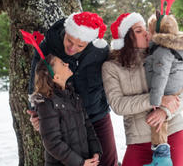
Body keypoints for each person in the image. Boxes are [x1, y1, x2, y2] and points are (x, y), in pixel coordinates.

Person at [102, 12, 183, 166]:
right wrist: (156, 99)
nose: (146, 33)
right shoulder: (111, 67)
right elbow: (118, 105)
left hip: (171, 133)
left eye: (145, 29)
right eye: (138, 31)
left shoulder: (160, 54)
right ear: (125, 38)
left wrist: (165, 111)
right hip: (138, 140)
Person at [27, 12, 118, 166]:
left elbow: (114, 73)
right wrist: (36, 113)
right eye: (69, 40)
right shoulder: (48, 46)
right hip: (63, 118)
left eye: (80, 45)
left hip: (96, 113)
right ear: (66, 32)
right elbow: (35, 81)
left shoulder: (99, 50)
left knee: (107, 160)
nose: (72, 48)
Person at [144, 12, 183, 166]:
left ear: (156, 33)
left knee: (158, 123)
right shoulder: (169, 49)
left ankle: (162, 158)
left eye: (149, 30)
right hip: (174, 86)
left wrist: (156, 101)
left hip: (167, 90)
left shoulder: (161, 52)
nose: (147, 33)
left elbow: (160, 77)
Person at [31, 54, 102, 166]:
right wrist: (80, 163)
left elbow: (88, 127)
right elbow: (53, 142)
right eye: (62, 64)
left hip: (85, 161)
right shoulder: (46, 104)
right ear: (56, 77)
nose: (67, 64)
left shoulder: (74, 97)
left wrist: (95, 152)